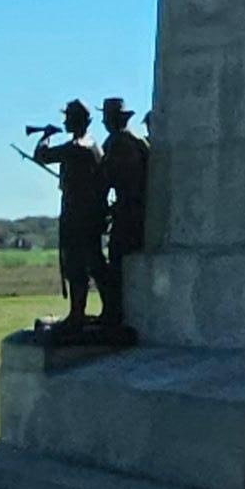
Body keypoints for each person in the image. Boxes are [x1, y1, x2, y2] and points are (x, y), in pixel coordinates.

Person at [26, 101, 112, 335]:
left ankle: (78, 314)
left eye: (68, 119)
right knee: (92, 262)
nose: (64, 122)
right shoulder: (92, 145)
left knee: (77, 265)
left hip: (78, 214)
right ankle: (100, 311)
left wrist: (45, 135)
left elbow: (41, 155)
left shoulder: (78, 147)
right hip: (89, 213)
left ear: (76, 122)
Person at [99, 96, 149, 330]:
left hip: (126, 211)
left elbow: (106, 179)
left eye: (106, 118)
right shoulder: (139, 142)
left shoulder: (116, 143)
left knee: (116, 262)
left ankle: (114, 313)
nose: (104, 122)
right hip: (139, 211)